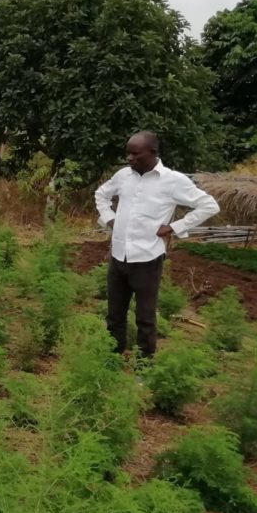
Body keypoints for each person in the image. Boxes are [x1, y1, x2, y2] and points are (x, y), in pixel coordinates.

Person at [95, 131, 219, 356]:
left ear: (153, 153)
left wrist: (174, 227)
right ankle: (111, 358)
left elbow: (209, 205)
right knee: (114, 314)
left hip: (147, 259)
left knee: (145, 317)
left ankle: (144, 365)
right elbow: (101, 194)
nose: (130, 159)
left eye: (135, 154)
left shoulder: (172, 181)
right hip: (118, 256)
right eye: (128, 154)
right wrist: (109, 218)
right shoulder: (123, 176)